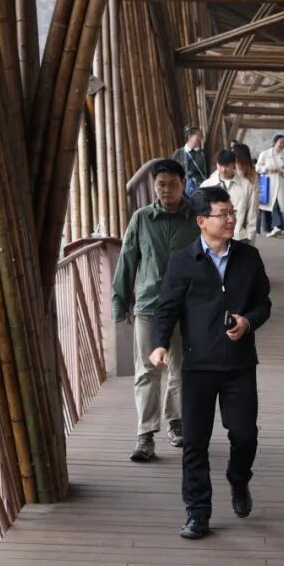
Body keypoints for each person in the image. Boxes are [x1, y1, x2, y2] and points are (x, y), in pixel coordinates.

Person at [150, 186, 272, 540]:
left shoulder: (249, 257)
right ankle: (197, 511)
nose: (231, 219)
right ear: (202, 221)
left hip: (239, 363)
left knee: (245, 435)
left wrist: (248, 321)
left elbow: (264, 304)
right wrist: (159, 344)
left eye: (232, 212)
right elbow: (167, 308)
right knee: (195, 442)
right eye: (224, 214)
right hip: (198, 365)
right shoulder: (182, 261)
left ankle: (238, 479)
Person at [112, 159, 200, 462]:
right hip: (149, 306)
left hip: (187, 308)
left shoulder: (197, 219)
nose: (166, 190)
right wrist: (120, 303)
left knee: (182, 369)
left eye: (172, 184)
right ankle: (145, 434)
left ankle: (177, 421)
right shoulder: (142, 218)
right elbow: (127, 260)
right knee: (147, 371)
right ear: (153, 186)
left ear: (184, 184)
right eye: (161, 184)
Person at [203, 149, 258, 242]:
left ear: (234, 164)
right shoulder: (207, 185)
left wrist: (249, 237)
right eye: (220, 165)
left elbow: (252, 213)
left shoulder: (246, 186)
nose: (223, 170)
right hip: (213, 237)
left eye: (227, 166)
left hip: (238, 236)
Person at [256, 134, 284, 237]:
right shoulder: (265, 154)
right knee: (267, 206)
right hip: (268, 182)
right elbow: (257, 167)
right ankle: (268, 229)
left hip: (279, 182)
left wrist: (282, 172)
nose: (282, 145)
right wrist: (266, 168)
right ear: (275, 142)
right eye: (281, 142)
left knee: (281, 205)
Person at [171, 126, 209, 193]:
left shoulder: (203, 153)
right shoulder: (179, 153)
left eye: (201, 136)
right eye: (198, 135)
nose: (200, 138)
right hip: (184, 189)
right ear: (189, 137)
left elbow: (207, 171)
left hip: (202, 188)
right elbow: (172, 171)